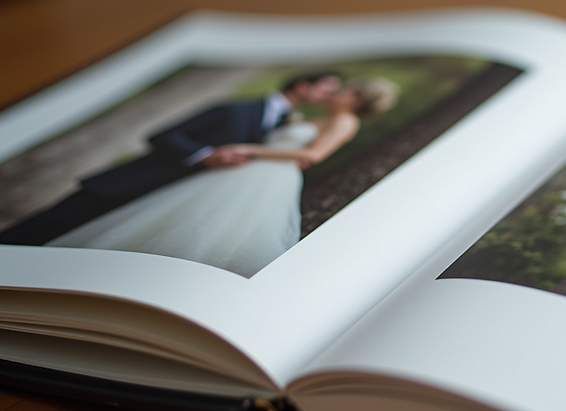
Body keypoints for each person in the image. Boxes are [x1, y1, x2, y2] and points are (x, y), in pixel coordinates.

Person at [45, 77, 400, 277]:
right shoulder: (312, 118)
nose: (339, 93)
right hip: (248, 172)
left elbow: (312, 154)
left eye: (347, 89)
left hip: (264, 178)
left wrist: (248, 149)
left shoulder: (343, 122)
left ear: (356, 99)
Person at [0, 71, 343, 246]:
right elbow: (161, 136)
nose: (330, 96)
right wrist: (204, 156)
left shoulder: (287, 124)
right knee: (42, 227)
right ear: (302, 85)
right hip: (128, 185)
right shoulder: (236, 108)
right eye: (327, 88)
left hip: (164, 204)